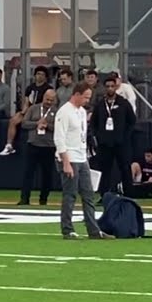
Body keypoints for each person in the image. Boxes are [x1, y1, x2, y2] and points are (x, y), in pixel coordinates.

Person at [54, 87, 110, 240]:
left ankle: (93, 229)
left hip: (81, 157)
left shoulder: (82, 112)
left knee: (88, 194)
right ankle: (67, 229)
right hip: (69, 157)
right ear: (77, 94)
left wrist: (86, 156)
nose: (87, 100)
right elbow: (59, 138)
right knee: (70, 194)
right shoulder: (64, 112)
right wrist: (65, 162)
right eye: (85, 97)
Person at [88, 73, 136, 196]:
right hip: (104, 143)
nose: (110, 88)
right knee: (105, 170)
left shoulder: (123, 103)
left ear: (116, 87)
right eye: (107, 86)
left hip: (121, 143)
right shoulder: (100, 104)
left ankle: (129, 194)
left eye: (112, 86)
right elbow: (93, 122)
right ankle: (104, 195)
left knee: (125, 168)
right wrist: (98, 136)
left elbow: (132, 121)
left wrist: (125, 136)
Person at [19, 88, 57, 206]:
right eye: (47, 99)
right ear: (43, 97)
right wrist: (36, 124)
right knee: (28, 173)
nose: (48, 102)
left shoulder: (56, 111)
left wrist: (47, 126)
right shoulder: (33, 108)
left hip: (49, 147)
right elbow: (24, 123)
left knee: (47, 175)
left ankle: (43, 199)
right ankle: (25, 199)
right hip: (33, 145)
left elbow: (59, 127)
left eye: (51, 100)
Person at [1, 65, 51, 156]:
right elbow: (26, 102)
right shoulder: (30, 87)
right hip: (29, 110)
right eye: (38, 74)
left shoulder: (48, 88)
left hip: (40, 111)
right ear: (35, 75)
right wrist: (23, 112)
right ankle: (9, 145)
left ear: (45, 77)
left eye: (42, 74)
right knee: (13, 120)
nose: (40, 76)